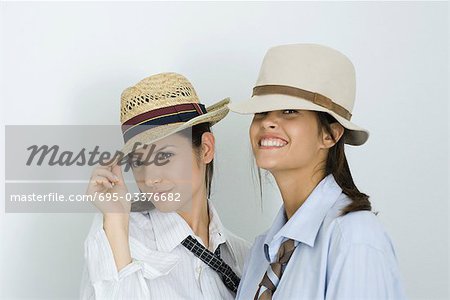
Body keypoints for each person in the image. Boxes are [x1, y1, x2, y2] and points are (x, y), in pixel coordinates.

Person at [229, 44, 406, 299]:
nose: (267, 121)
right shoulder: (262, 252)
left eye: (289, 111)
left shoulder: (355, 238)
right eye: (261, 112)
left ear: (330, 134)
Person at [80, 72, 250, 299]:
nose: (150, 178)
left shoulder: (245, 258)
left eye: (164, 156)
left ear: (206, 149)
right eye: (139, 161)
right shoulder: (118, 238)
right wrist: (115, 223)